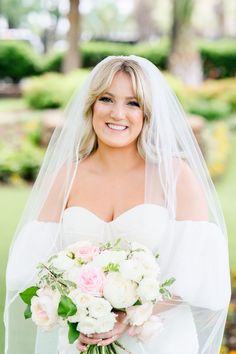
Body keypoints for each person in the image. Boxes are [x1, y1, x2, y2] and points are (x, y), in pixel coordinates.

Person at [4, 55, 231, 354]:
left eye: (133, 103)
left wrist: (130, 315)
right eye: (107, 99)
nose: (118, 113)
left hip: (158, 342)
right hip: (83, 343)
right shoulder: (66, 177)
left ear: (147, 112)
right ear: (91, 106)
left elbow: (200, 274)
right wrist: (74, 311)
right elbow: (31, 269)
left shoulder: (175, 175)